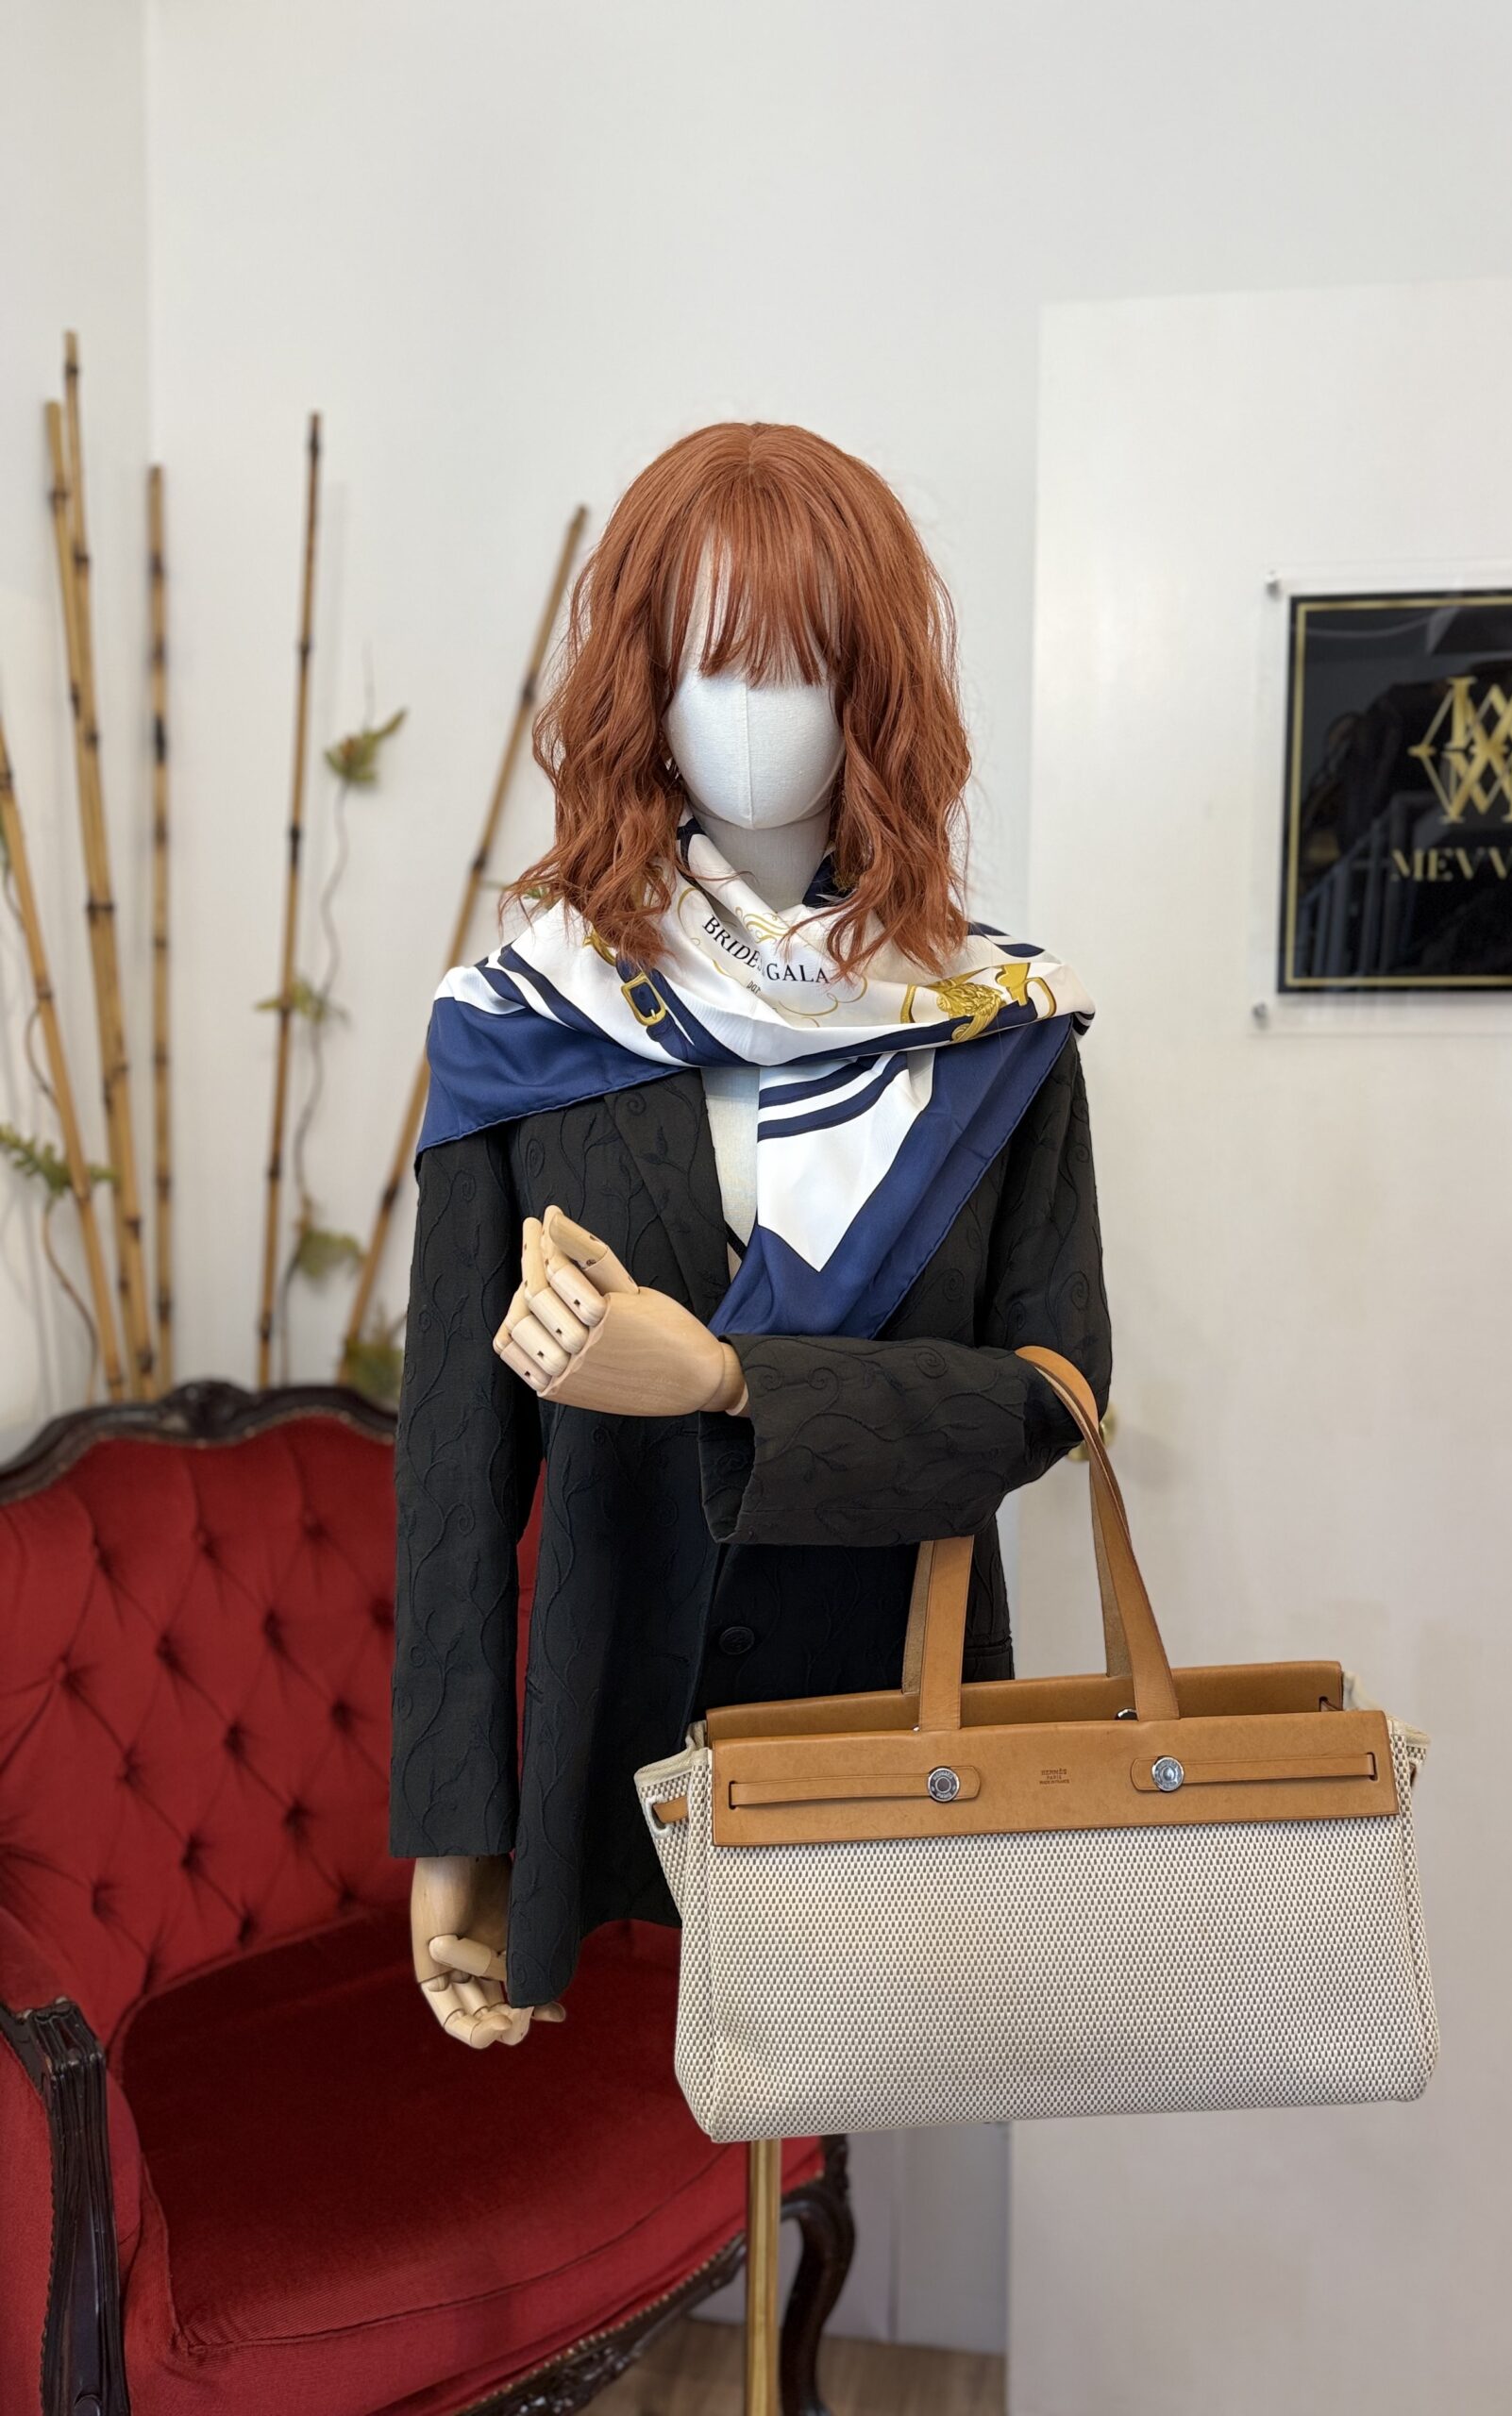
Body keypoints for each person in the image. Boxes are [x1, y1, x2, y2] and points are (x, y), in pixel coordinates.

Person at [388, 422, 1111, 2044]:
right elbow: (453, 1471)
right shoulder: (522, 1021)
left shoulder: (995, 1024)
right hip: (611, 1722)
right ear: (644, 683)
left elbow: (1055, 1395)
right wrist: (459, 1830)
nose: (753, 716)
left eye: (803, 667)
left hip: (896, 1714)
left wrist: (729, 1382)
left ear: (875, 690)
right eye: (712, 663)